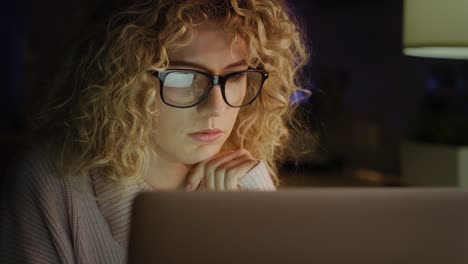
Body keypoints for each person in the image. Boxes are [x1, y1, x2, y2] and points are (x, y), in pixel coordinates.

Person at [1, 0, 309, 263]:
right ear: (124, 81)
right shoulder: (53, 182)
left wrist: (256, 222)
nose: (216, 107)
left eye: (234, 76)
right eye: (183, 77)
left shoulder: (244, 182)